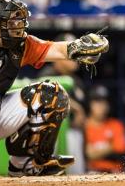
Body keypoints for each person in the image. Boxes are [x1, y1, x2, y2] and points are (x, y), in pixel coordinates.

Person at [0, 0, 108, 176]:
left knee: (51, 95)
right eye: (8, 23)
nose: (15, 28)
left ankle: (26, 165)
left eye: (16, 22)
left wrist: (78, 46)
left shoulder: (19, 46)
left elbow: (54, 48)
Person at [38, 33, 87, 175]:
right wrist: (76, 108)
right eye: (72, 54)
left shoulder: (77, 81)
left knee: (77, 174)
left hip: (74, 132)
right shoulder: (47, 75)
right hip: (52, 135)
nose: (76, 59)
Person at [84, 85, 125, 173]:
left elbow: (121, 149)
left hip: (115, 172)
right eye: (97, 102)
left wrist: (98, 151)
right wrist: (111, 146)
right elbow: (90, 154)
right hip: (92, 173)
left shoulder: (116, 124)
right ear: (89, 104)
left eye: (105, 102)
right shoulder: (84, 126)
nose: (102, 106)